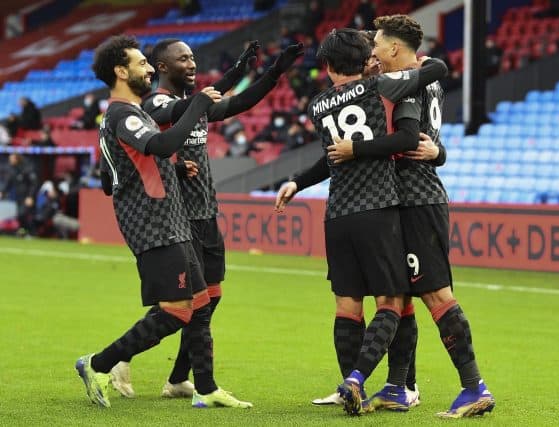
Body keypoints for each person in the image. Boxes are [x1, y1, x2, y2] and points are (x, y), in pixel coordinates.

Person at [108, 38, 304, 401]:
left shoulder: (193, 105)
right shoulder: (155, 105)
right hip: (178, 219)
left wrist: (275, 71)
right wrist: (235, 73)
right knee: (187, 306)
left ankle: (178, 378)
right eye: (183, 59)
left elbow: (238, 103)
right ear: (162, 67)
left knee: (209, 301)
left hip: (207, 213)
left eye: (193, 57)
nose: (192, 63)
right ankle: (122, 359)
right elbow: (185, 108)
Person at [329, 15, 495, 418]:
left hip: (416, 200)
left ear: (393, 49)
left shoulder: (409, 81)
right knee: (398, 295)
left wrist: (355, 150)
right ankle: (396, 387)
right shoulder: (427, 79)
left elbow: (408, 141)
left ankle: (474, 386)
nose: (372, 54)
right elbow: (432, 143)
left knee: (436, 294)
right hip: (407, 198)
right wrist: (440, 154)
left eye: (377, 47)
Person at [275, 28, 448, 416]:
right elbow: (434, 71)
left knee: (347, 306)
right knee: (392, 301)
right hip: (379, 210)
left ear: (327, 66)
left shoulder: (318, 104)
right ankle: (360, 380)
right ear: (364, 59)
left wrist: (296, 182)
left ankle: (349, 389)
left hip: (337, 214)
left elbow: (332, 156)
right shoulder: (383, 87)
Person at [74, 34, 246, 410]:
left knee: (200, 305)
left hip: (172, 220)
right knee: (176, 310)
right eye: (141, 63)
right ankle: (98, 364)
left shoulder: (127, 116)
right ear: (121, 71)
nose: (149, 68)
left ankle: (206, 388)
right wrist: (198, 104)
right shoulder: (122, 114)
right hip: (154, 224)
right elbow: (162, 145)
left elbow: (111, 177)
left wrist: (172, 168)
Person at [0, 153, 37, 236]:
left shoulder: (26, 169)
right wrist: (2, 192)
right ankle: (25, 232)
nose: (10, 161)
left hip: (27, 197)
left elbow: (33, 184)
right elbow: (8, 183)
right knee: (19, 216)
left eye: (11, 159)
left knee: (23, 214)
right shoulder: (12, 170)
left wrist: (30, 196)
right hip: (19, 197)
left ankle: (33, 232)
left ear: (17, 159)